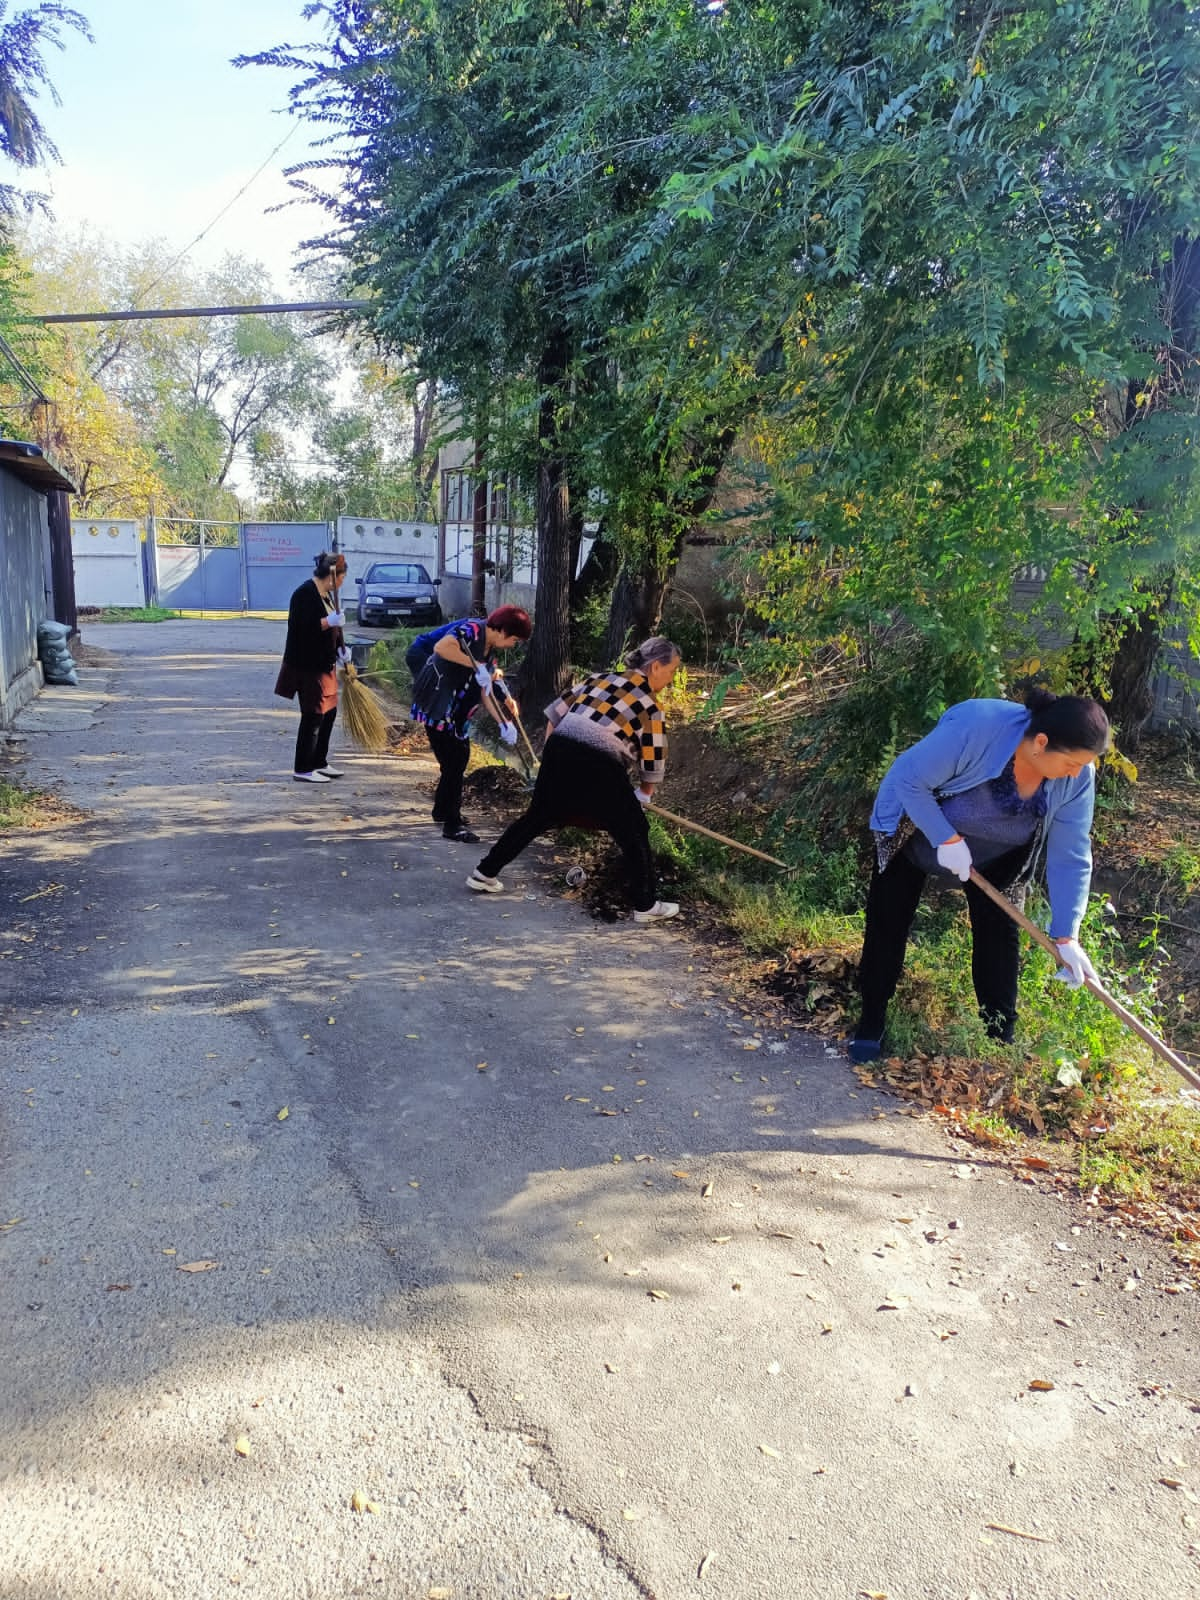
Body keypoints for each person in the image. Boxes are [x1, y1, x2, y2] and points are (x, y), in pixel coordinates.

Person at [848, 689, 1112, 1062]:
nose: (1077, 772)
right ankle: (871, 1021)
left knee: (1000, 934)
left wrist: (1067, 933)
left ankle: (998, 1039)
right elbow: (909, 779)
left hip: (998, 854)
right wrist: (947, 838)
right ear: (1041, 742)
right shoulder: (978, 728)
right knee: (888, 923)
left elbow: (1071, 853)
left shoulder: (1077, 777)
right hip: (917, 830)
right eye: (1071, 763)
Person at [466, 636, 683, 924]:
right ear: (655, 667)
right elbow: (653, 758)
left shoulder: (598, 679)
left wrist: (550, 758)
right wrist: (644, 794)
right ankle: (645, 905)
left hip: (560, 747)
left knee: (538, 817)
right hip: (600, 761)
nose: (670, 678)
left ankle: (484, 872)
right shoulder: (650, 706)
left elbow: (554, 715)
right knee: (634, 829)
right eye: (671, 671)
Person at [410, 604, 532, 842]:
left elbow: (485, 693)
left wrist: (504, 723)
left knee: (455, 761)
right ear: (503, 631)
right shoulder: (472, 631)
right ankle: (452, 825)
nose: (513, 645)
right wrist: (478, 666)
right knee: (455, 762)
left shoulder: (489, 651)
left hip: (458, 712)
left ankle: (443, 811)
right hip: (439, 704)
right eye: (515, 640)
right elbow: (441, 647)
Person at [274, 551, 350, 783]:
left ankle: (319, 761)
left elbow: (332, 630)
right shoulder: (304, 594)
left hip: (324, 663)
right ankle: (303, 768)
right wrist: (329, 622)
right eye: (342, 578)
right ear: (333, 576)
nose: (342, 583)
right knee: (313, 715)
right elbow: (301, 627)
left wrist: (341, 650)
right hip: (307, 665)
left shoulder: (326, 595)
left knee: (330, 712)